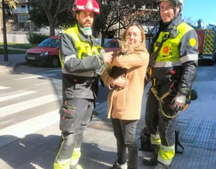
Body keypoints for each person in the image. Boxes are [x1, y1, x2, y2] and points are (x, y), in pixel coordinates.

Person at [53, 0, 112, 169]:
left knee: (80, 131)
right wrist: (100, 58)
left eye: (91, 15)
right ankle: (61, 165)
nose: (88, 18)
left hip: (90, 93)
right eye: (85, 14)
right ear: (76, 15)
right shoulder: (68, 35)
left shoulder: (94, 39)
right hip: (75, 92)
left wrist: (112, 79)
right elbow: (70, 64)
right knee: (70, 134)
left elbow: (100, 68)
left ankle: (73, 163)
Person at [144, 0, 198, 168]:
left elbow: (190, 66)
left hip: (172, 90)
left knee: (166, 127)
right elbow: (153, 61)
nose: (164, 11)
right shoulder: (160, 31)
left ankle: (164, 162)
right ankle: (156, 153)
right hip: (155, 87)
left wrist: (182, 94)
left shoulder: (186, 31)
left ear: (177, 8)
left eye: (168, 7)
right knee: (151, 122)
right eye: (162, 7)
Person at [101, 23, 149, 169]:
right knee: (119, 138)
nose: (131, 37)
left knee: (130, 141)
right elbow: (104, 72)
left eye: (135, 34)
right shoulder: (119, 53)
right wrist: (112, 80)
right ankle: (121, 162)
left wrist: (105, 57)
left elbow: (121, 62)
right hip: (115, 104)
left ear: (141, 38)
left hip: (130, 105)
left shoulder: (142, 55)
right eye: (129, 34)